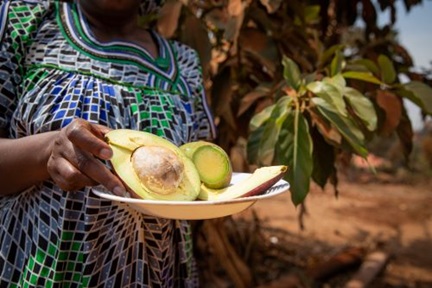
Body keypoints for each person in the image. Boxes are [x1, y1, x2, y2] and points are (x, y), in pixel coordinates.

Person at [0, 0, 216, 286]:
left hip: (156, 275)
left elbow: (199, 181)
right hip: (41, 269)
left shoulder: (184, 63)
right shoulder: (21, 22)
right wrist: (45, 153)